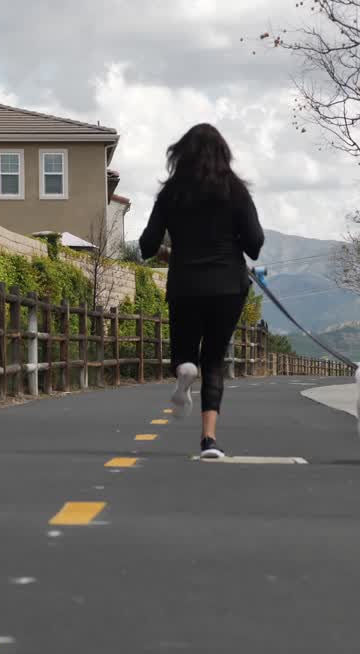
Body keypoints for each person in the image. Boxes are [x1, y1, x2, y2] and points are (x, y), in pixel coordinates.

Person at [139, 123, 265, 459]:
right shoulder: (235, 190)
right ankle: (209, 440)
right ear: (223, 154)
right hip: (228, 286)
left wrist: (172, 247)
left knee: (186, 353)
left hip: (186, 285)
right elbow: (255, 244)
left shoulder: (171, 193)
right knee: (214, 360)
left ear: (181, 154)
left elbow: (147, 245)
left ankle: (183, 370)